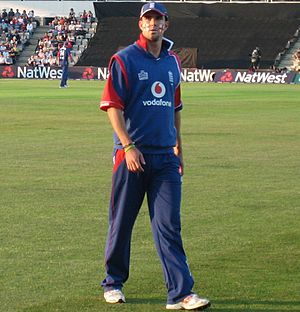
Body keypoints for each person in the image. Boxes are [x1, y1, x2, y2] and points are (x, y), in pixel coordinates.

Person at [99, 2, 211, 310]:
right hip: (132, 156)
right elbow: (113, 107)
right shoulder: (124, 60)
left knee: (168, 226)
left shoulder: (172, 63)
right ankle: (113, 282)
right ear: (140, 24)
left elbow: (175, 109)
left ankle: (180, 293)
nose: (153, 23)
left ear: (166, 24)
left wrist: (180, 149)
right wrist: (127, 146)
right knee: (121, 222)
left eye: (158, 19)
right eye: (148, 19)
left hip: (165, 159)